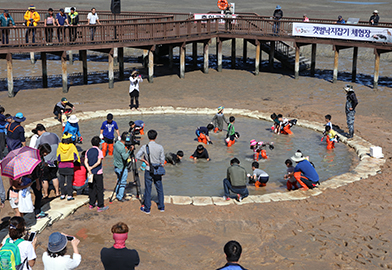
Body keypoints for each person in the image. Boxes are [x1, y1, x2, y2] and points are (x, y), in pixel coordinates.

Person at [136, 129, 165, 214]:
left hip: (148, 170)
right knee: (159, 188)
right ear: (156, 137)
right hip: (157, 170)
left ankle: (147, 208)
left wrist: (144, 161)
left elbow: (137, 156)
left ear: (148, 137)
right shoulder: (160, 147)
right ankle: (161, 207)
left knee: (148, 189)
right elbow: (162, 161)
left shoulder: (145, 147)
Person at [34, 124, 61, 198]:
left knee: (44, 178)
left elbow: (37, 150)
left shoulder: (39, 139)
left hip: (45, 161)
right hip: (55, 159)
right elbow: (59, 144)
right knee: (54, 176)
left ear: (39, 131)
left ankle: (46, 194)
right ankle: (57, 192)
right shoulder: (55, 135)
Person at [85, 136, 109, 212]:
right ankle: (100, 205)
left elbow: (85, 161)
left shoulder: (88, 151)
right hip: (98, 173)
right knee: (99, 189)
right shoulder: (99, 151)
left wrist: (89, 168)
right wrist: (92, 167)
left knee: (91, 188)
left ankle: (91, 204)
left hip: (90, 173)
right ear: (99, 144)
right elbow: (99, 162)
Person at [57, 132, 80, 201]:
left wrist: (58, 163)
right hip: (70, 165)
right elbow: (76, 155)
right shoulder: (72, 146)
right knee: (69, 181)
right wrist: (79, 162)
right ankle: (69, 195)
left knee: (62, 181)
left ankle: (62, 194)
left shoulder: (59, 146)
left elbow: (58, 156)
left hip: (61, 166)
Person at [31, 144, 51, 219]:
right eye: (46, 153)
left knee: (38, 195)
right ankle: (37, 212)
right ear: (43, 151)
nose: (47, 154)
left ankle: (37, 210)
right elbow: (36, 173)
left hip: (37, 178)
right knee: (38, 195)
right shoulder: (38, 159)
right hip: (35, 180)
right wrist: (38, 184)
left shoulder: (38, 156)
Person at [113, 132, 132, 202]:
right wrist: (129, 151)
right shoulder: (122, 148)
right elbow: (124, 157)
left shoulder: (117, 143)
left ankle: (118, 193)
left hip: (116, 166)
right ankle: (120, 197)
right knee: (123, 183)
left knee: (119, 181)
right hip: (122, 167)